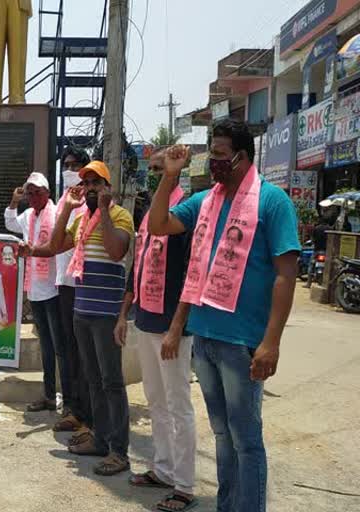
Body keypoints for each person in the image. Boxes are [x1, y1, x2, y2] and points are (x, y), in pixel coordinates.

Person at [149, 119, 301, 512]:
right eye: (212, 153)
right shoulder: (205, 201)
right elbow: (158, 224)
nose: (213, 162)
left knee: (246, 439)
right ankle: (227, 505)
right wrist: (170, 176)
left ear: (241, 157)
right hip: (206, 337)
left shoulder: (272, 202)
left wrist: (271, 342)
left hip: (242, 342)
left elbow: (286, 275)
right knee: (221, 434)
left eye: (218, 154)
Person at [26, 160, 135, 477]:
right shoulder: (81, 220)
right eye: (86, 184)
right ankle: (101, 439)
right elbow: (54, 246)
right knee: (92, 379)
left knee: (112, 382)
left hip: (106, 315)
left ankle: (119, 450)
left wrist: (102, 214)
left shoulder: (120, 216)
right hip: (82, 313)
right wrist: (67, 208)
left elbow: (117, 252)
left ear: (108, 188)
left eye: (96, 184)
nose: (90, 189)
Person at [115, 150, 197, 512]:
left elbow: (192, 274)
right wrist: (125, 312)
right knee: (156, 400)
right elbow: (139, 266)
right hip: (146, 318)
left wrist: (177, 327)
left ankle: (185, 484)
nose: (152, 176)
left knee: (178, 405)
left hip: (171, 326)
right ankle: (162, 469)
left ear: (176, 171)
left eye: (158, 170)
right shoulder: (150, 214)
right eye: (150, 170)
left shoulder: (186, 212)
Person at [6, 172, 65, 413]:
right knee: (46, 346)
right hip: (36, 292)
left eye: (37, 192)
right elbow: (10, 223)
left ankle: (69, 400)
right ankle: (49, 395)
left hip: (55, 290)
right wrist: (13, 201)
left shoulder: (58, 213)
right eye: (29, 193)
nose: (32, 197)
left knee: (61, 346)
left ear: (47, 193)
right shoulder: (28, 215)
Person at [53, 147, 93, 434]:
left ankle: (83, 409)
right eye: (65, 164)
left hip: (81, 282)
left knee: (82, 350)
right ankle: (70, 405)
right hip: (61, 282)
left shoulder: (89, 201)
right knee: (66, 348)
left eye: (75, 165)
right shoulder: (63, 200)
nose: (69, 169)